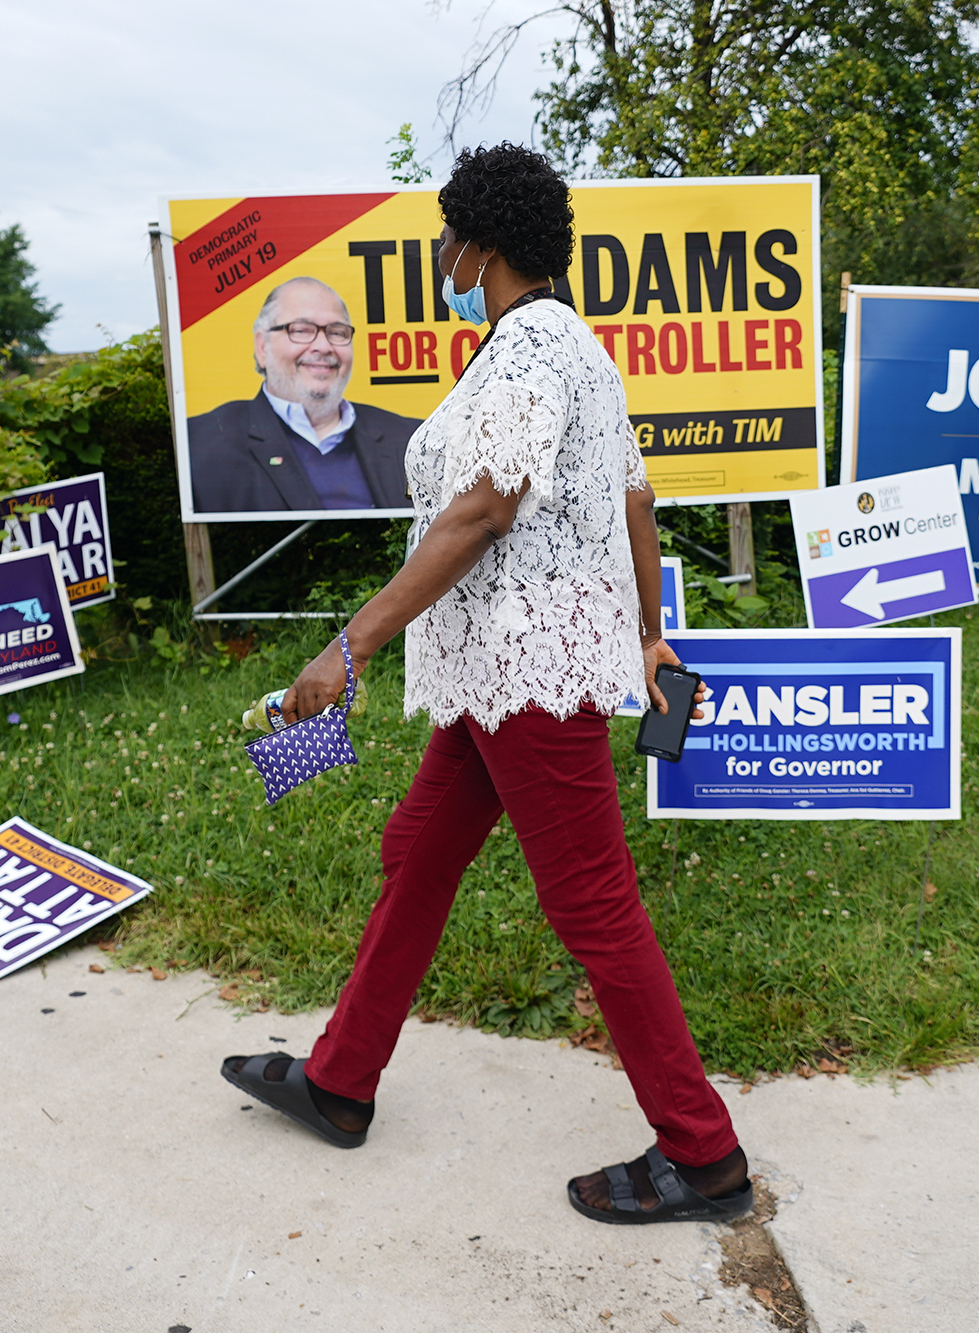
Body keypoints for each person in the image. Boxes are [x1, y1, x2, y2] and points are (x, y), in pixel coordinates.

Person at [222, 143, 751, 1225]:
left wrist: (349, 643)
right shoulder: (564, 351)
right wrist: (651, 636)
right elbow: (634, 500)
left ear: (481, 243)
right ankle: (339, 1079)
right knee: (416, 852)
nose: (439, 255)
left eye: (447, 236)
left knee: (592, 904)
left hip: (532, 672)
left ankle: (703, 1155)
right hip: (493, 676)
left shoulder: (526, 357)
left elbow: (482, 509)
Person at [185, 276, 419, 514]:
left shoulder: (411, 440)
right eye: (301, 330)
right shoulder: (201, 443)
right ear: (262, 347)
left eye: (337, 332)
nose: (324, 346)